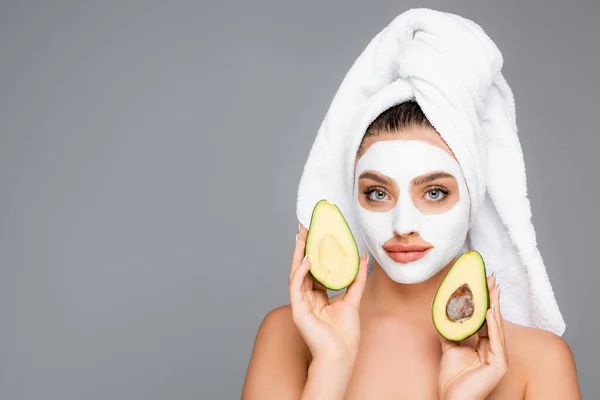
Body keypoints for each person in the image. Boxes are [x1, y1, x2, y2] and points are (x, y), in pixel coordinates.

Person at [241, 9, 582, 400]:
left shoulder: (538, 361)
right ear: (352, 197)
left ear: (473, 198)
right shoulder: (289, 336)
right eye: (378, 193)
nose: (403, 224)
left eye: (434, 192)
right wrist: (330, 367)